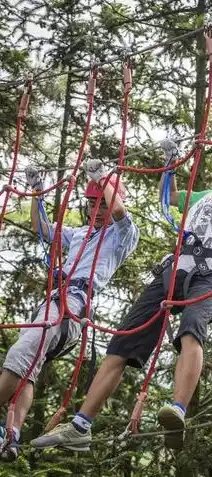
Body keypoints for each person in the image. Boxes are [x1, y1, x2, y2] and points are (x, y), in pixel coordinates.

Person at [31, 111, 212, 451]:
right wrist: (170, 163)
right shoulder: (202, 197)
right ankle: (82, 424)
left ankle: (178, 407)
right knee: (123, 342)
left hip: (210, 273)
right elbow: (168, 197)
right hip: (173, 271)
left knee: (191, 328)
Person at [0, 160, 139, 460]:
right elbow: (43, 229)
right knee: (27, 369)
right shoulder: (78, 234)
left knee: (19, 354)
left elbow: (118, 213)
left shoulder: (122, 236)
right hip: (54, 302)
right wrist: (37, 189)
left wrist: (102, 178)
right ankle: (11, 434)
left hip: (73, 305)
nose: (97, 210)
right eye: (92, 204)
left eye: (102, 203)